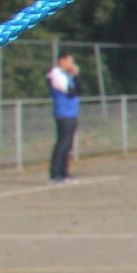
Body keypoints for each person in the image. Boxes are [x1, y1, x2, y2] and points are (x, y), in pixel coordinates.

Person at [46, 53, 80, 184]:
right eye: (69, 61)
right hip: (63, 113)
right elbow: (71, 92)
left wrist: (75, 75)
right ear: (62, 61)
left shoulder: (67, 75)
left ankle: (64, 172)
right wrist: (73, 76)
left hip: (72, 113)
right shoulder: (56, 74)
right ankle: (55, 173)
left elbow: (79, 89)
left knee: (69, 144)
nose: (72, 64)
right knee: (63, 143)